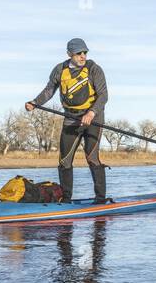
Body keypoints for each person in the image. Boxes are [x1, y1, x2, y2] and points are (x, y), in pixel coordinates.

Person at [26, 38, 110, 203]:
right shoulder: (60, 70)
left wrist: (91, 113)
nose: (83, 56)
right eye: (79, 53)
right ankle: (66, 200)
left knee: (92, 158)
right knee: (64, 161)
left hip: (93, 118)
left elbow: (103, 95)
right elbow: (49, 90)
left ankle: (100, 200)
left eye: (85, 52)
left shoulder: (94, 69)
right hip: (71, 118)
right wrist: (35, 102)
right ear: (69, 54)